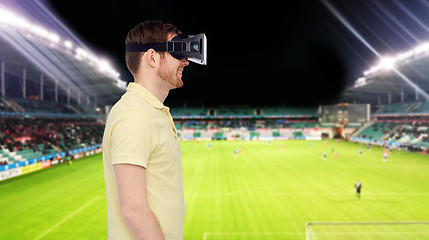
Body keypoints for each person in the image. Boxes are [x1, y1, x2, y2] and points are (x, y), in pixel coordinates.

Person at [103, 20, 206, 240]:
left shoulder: (149, 111)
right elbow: (133, 210)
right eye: (177, 51)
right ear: (152, 57)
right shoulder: (134, 115)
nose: (186, 61)